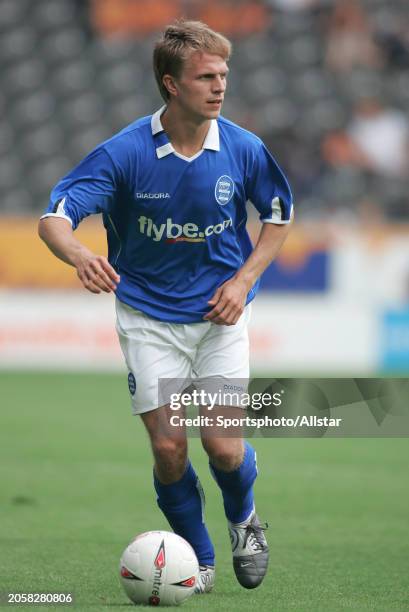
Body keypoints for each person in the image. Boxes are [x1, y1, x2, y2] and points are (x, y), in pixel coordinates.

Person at [38, 20, 293, 594]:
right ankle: (199, 560)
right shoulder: (126, 152)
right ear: (171, 84)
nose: (220, 86)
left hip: (219, 317)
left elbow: (279, 215)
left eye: (224, 74)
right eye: (206, 76)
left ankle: (244, 522)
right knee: (170, 447)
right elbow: (54, 217)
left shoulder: (244, 148)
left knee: (224, 448)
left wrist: (244, 279)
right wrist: (78, 253)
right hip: (149, 319)